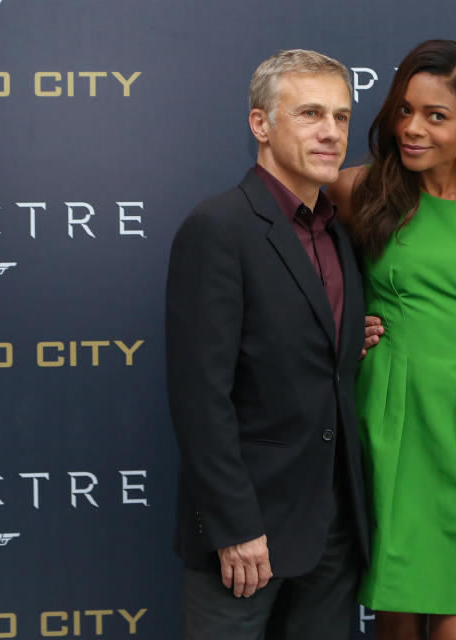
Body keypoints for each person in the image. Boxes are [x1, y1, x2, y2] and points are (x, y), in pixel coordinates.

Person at [165, 49, 371, 640]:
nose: (331, 132)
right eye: (310, 114)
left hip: (334, 527)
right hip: (247, 534)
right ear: (261, 124)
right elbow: (200, 396)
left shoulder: (338, 231)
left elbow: (316, 355)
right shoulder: (219, 227)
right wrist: (233, 526)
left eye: (341, 116)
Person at [328, 39, 456, 640]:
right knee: (397, 615)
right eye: (405, 109)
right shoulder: (352, 190)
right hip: (388, 415)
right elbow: (298, 288)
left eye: (436, 116)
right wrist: (340, 334)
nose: (412, 128)